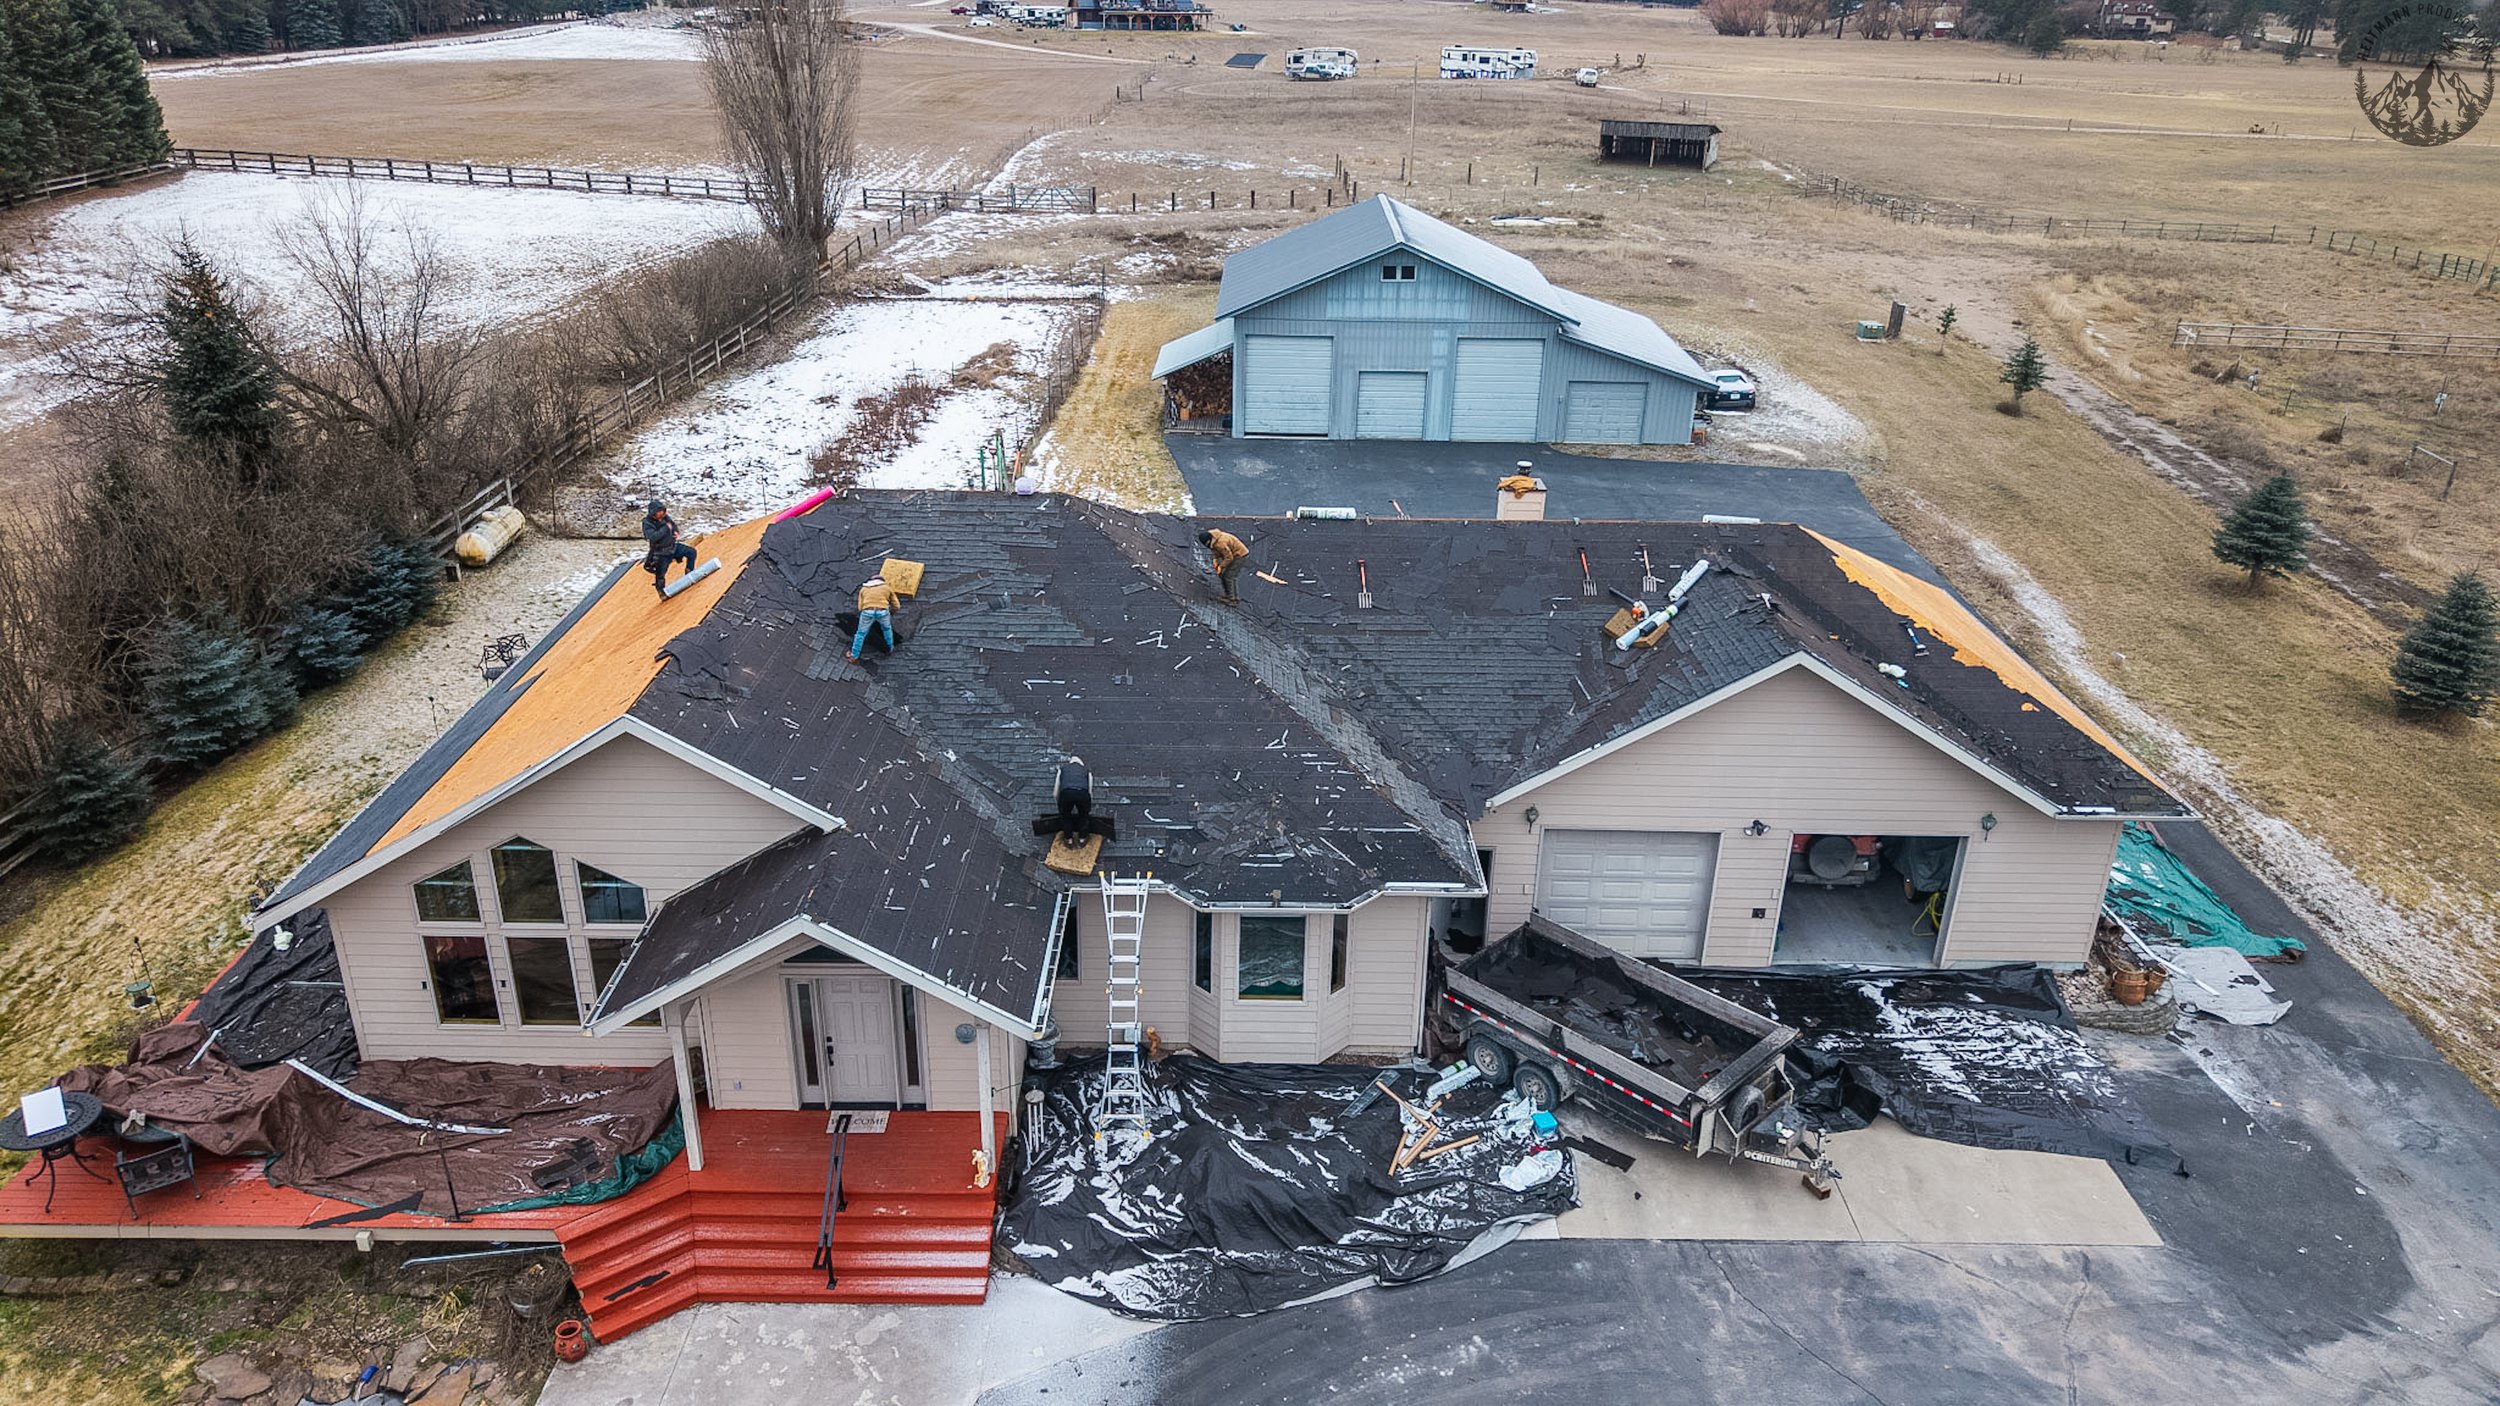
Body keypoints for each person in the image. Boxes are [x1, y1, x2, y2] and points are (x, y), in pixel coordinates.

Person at [642, 500, 697, 597]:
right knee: (660, 575)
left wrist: (675, 531)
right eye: (659, 511)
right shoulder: (647, 523)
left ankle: (689, 572)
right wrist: (666, 528)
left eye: (662, 511)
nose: (661, 513)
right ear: (653, 512)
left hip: (673, 546)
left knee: (691, 552)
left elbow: (673, 525)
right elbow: (653, 536)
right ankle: (661, 592)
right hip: (661, 552)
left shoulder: (665, 518)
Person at [1197, 527, 1248, 604]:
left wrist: (1221, 566)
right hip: (1234, 554)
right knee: (1224, 575)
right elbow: (1215, 551)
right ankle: (1230, 595)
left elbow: (1229, 558)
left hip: (1240, 555)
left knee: (1228, 576)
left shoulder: (1221, 543)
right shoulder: (1214, 538)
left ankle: (1232, 600)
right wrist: (1215, 560)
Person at [850, 575, 896, 660]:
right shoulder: (887, 588)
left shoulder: (863, 589)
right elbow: (896, 605)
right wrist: (891, 612)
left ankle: (854, 656)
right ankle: (890, 649)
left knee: (860, 634)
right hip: (882, 611)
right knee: (886, 630)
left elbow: (860, 607)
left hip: (868, 611)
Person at [1052, 755, 1091, 848]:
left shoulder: (1062, 770)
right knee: (1083, 815)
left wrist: (1060, 804)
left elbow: (1055, 793)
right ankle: (1082, 839)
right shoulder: (1087, 771)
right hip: (1082, 793)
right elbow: (1089, 792)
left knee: (1065, 816)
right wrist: (1086, 807)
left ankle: (1068, 839)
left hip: (1066, 793)